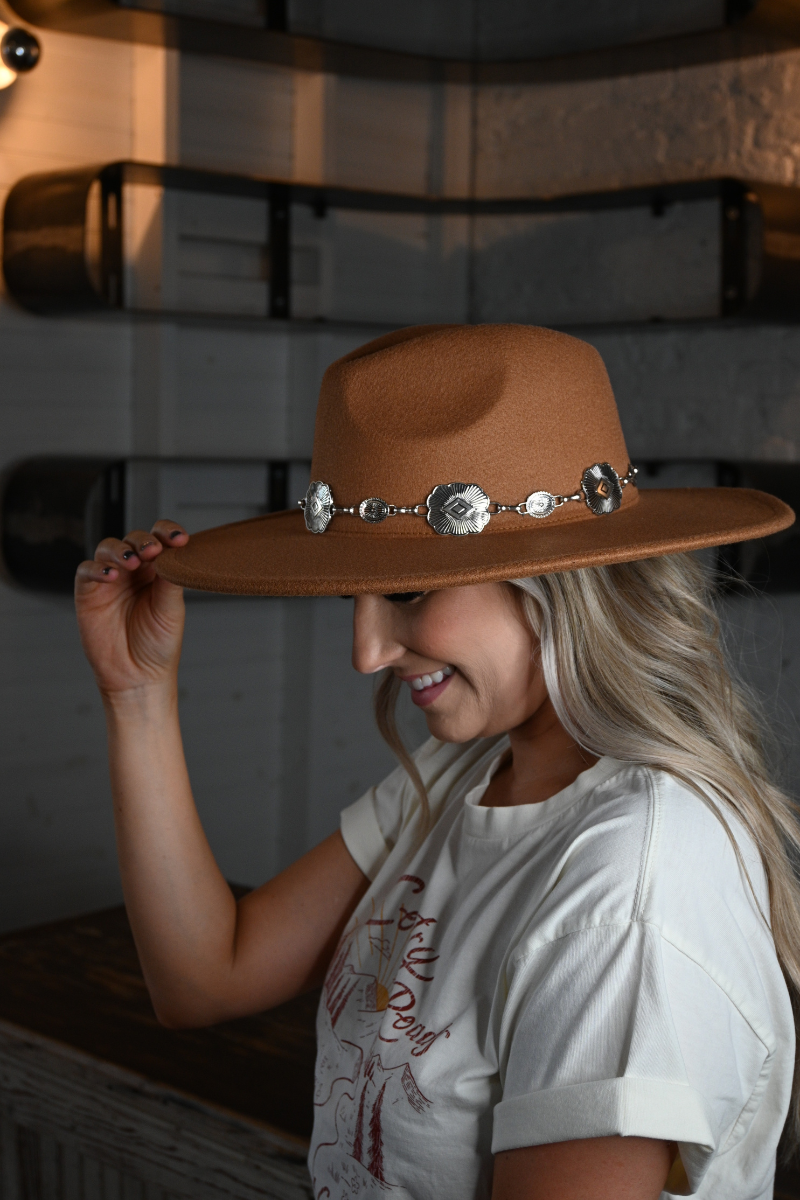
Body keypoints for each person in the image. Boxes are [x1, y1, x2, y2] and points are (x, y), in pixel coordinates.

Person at [75, 324, 799, 1200]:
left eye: (407, 592)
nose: (366, 652)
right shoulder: (473, 774)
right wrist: (136, 695)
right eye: (355, 596)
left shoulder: (631, 884)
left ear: (553, 577)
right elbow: (205, 975)